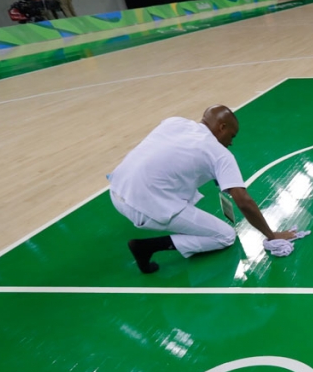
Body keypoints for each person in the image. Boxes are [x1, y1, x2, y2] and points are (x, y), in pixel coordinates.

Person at [110, 105, 297, 274]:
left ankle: (180, 226)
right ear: (222, 127)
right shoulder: (220, 154)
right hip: (142, 208)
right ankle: (146, 247)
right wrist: (271, 235)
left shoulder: (175, 122)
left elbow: (173, 154)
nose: (231, 142)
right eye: (232, 136)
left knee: (184, 193)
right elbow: (244, 201)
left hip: (116, 190)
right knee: (225, 236)